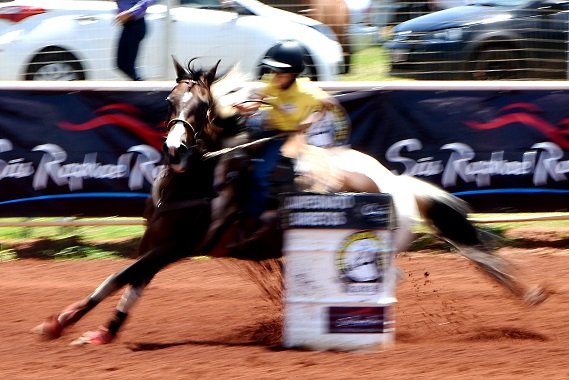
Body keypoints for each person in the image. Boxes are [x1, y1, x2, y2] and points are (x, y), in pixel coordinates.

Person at [232, 39, 348, 225]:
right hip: (270, 130)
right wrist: (246, 108)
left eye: (280, 72)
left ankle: (258, 217)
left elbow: (331, 105)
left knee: (264, 172)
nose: (275, 75)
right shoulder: (272, 82)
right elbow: (259, 99)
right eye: (273, 71)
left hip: (294, 137)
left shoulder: (308, 92)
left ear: (293, 74)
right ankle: (245, 211)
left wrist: (313, 120)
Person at [114, 0, 156, 81]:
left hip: (135, 24)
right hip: (128, 25)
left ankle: (142, 87)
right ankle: (141, 85)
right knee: (123, 65)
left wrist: (131, 13)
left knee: (126, 65)